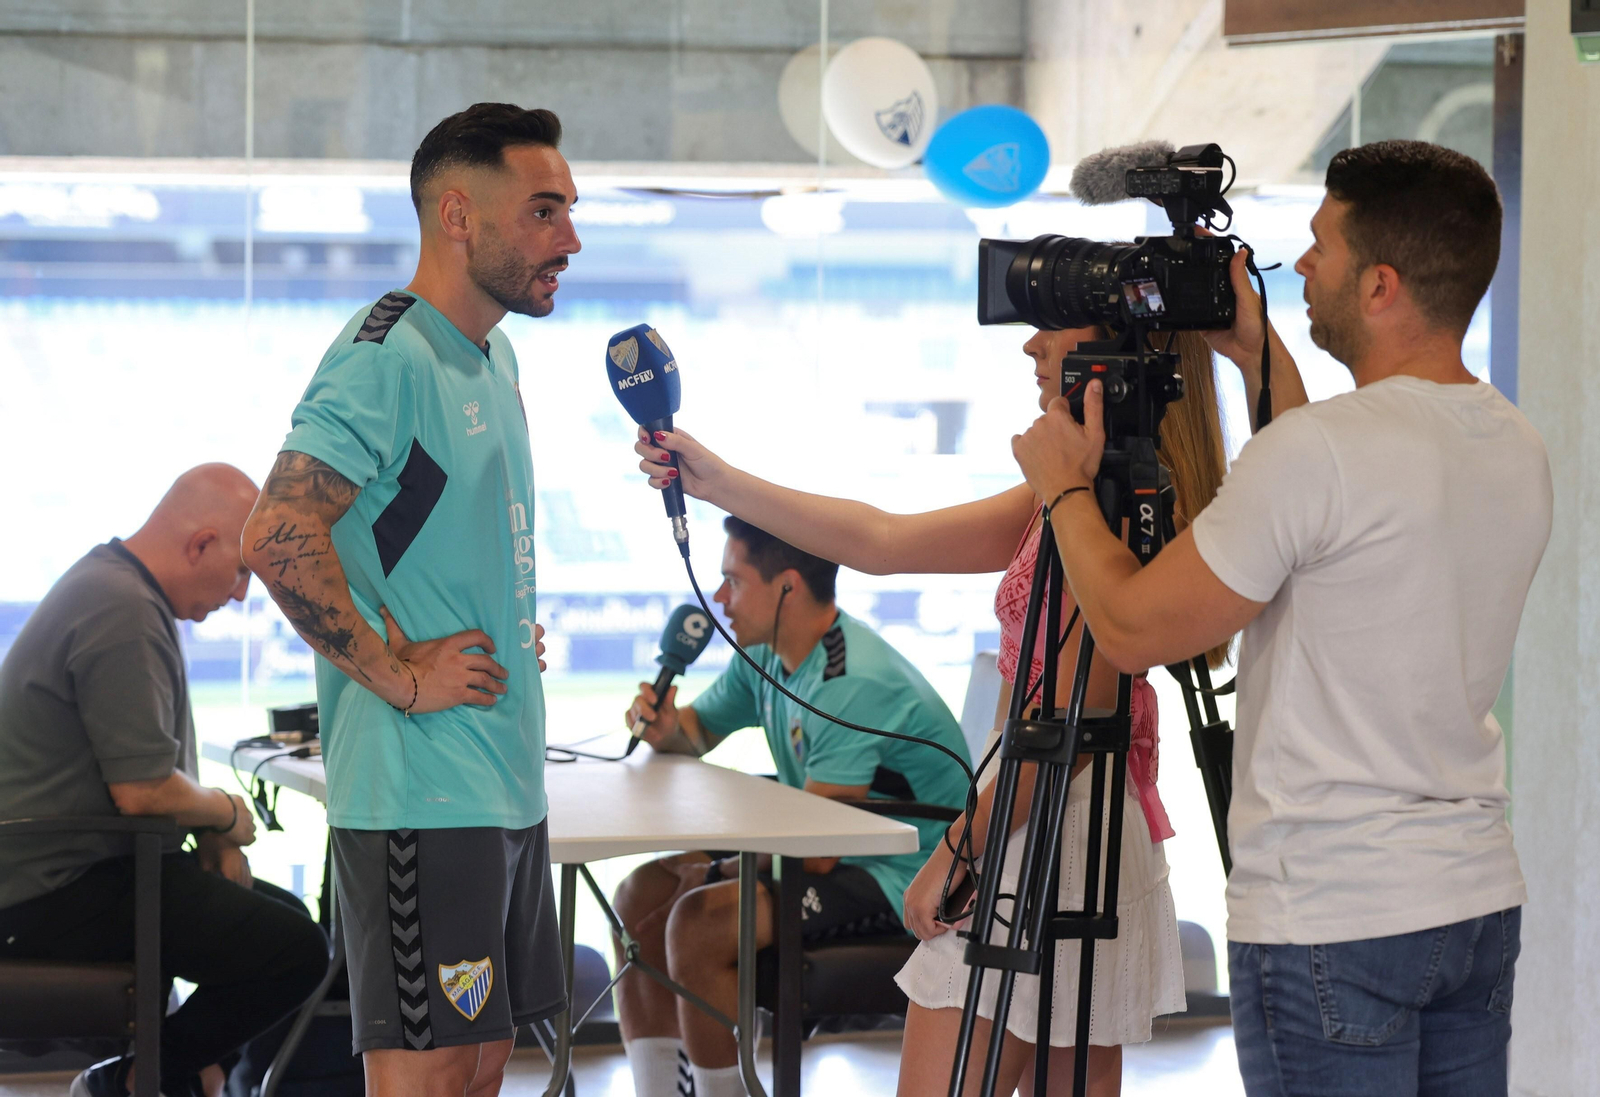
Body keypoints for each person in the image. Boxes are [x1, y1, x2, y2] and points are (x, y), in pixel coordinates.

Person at [1010, 139, 1551, 1097]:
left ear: (1379, 283)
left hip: (1333, 918)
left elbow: (1134, 628)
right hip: (1470, 903)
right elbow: (1321, 498)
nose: (1298, 266)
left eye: (1320, 247)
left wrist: (1061, 490)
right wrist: (1257, 353)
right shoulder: (1509, 438)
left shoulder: (1323, 452)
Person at [632, 321, 1235, 1095]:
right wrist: (718, 479)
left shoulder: (1100, 505)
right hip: (1043, 821)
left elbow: (1068, 725)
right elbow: (882, 539)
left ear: (1109, 353)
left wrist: (956, 850)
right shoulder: (1067, 492)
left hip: (1056, 829)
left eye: (1053, 328)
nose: (1031, 347)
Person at [241, 103, 576, 1095]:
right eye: (544, 211)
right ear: (459, 216)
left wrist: (507, 620)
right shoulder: (384, 354)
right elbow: (276, 533)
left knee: (480, 1058)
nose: (570, 237)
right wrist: (398, 675)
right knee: (426, 1069)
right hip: (420, 789)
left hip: (504, 779)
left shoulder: (494, 354)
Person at [613, 518, 972, 1097]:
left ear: (786, 586)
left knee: (698, 924)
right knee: (639, 894)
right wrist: (663, 728)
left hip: (908, 873)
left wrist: (714, 870)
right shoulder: (765, 654)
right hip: (825, 838)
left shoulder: (849, 680)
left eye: (733, 580)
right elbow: (698, 731)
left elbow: (822, 852)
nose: (719, 598)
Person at [0, 464, 328, 1097]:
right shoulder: (121, 609)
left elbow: (158, 775)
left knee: (283, 923)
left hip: (69, 873)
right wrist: (229, 814)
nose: (239, 594)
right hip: (42, 893)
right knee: (295, 951)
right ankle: (134, 1080)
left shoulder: (119, 589)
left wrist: (213, 830)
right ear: (200, 544)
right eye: (240, 572)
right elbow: (145, 790)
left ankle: (178, 1072)